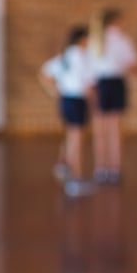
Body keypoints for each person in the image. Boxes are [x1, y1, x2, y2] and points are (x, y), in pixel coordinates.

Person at [38, 24, 96, 197]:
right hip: (77, 99)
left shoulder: (64, 57)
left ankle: (65, 167)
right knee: (77, 139)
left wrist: (55, 90)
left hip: (66, 99)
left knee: (72, 135)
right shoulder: (81, 56)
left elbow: (44, 73)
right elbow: (88, 81)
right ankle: (75, 179)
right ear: (83, 39)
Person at [89, 7, 137, 184]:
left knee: (100, 129)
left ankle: (100, 168)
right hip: (115, 83)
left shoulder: (94, 40)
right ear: (115, 22)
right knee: (115, 128)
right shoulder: (121, 40)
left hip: (99, 84)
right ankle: (114, 168)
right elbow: (131, 64)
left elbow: (89, 67)